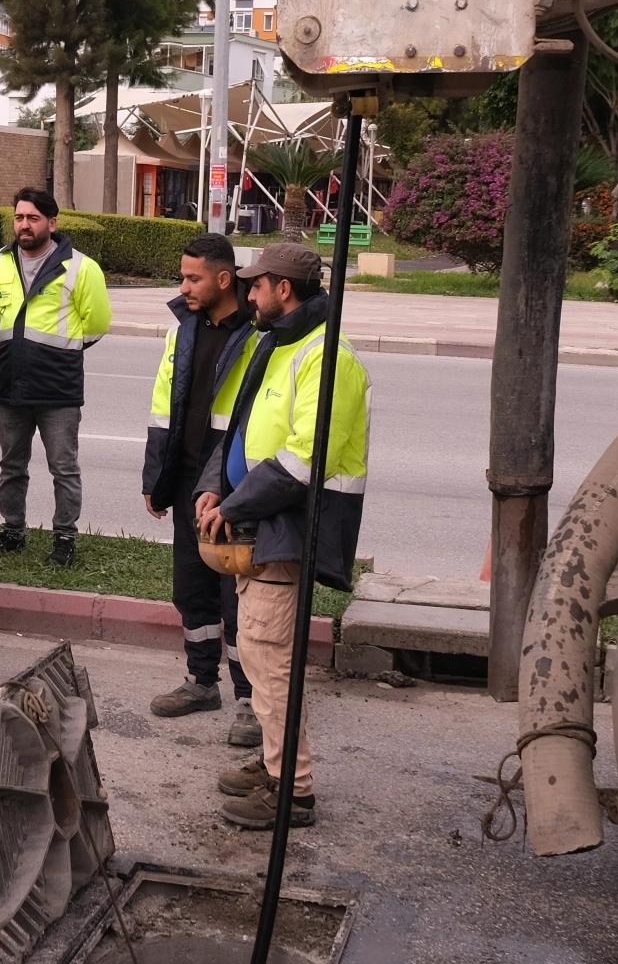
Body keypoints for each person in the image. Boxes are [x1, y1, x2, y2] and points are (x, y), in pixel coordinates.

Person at [195, 241, 370, 830]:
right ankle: (275, 765)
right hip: (262, 523)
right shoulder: (278, 342)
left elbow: (304, 460)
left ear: (283, 289)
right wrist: (215, 485)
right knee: (259, 652)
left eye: (257, 285)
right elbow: (241, 429)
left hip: (289, 527)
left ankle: (292, 790)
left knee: (271, 661)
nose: (249, 294)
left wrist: (234, 503)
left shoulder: (326, 356)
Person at [141, 235, 260, 747]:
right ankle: (201, 681)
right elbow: (163, 408)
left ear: (224, 279)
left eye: (193, 278)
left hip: (234, 483)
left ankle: (251, 701)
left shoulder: (257, 333)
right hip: (189, 480)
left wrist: (240, 490)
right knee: (192, 589)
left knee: (237, 599)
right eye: (182, 277)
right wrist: (157, 477)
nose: (183, 287)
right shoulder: (183, 328)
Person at [0, 188, 111, 566]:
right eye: (19, 217)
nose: (24, 224)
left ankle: (65, 538)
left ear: (52, 223)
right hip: (8, 384)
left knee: (64, 468)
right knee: (11, 466)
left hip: (58, 388)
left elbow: (97, 323)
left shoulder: (81, 267)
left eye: (33, 218)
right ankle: (12, 531)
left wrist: (59, 353)